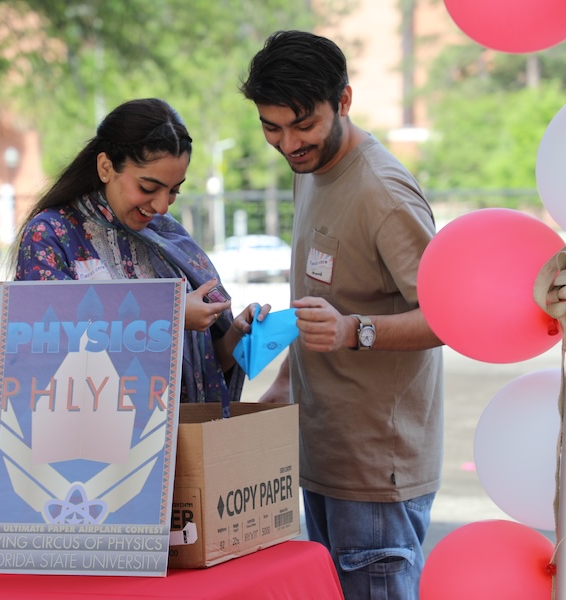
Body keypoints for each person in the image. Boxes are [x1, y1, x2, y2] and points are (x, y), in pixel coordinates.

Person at [240, 31, 444, 599]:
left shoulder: (383, 191)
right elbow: (317, 296)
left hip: (377, 472)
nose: (287, 143)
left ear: (345, 101)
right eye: (271, 127)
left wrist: (357, 330)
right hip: (324, 453)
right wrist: (284, 383)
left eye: (302, 125)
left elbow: (449, 318)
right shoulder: (310, 168)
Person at [8, 97, 268, 410]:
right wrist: (167, 316)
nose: (161, 206)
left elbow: (205, 373)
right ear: (106, 167)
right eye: (148, 188)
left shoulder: (165, 236)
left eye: (173, 190)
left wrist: (237, 334)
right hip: (93, 443)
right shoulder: (50, 236)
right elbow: (47, 344)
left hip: (178, 442)